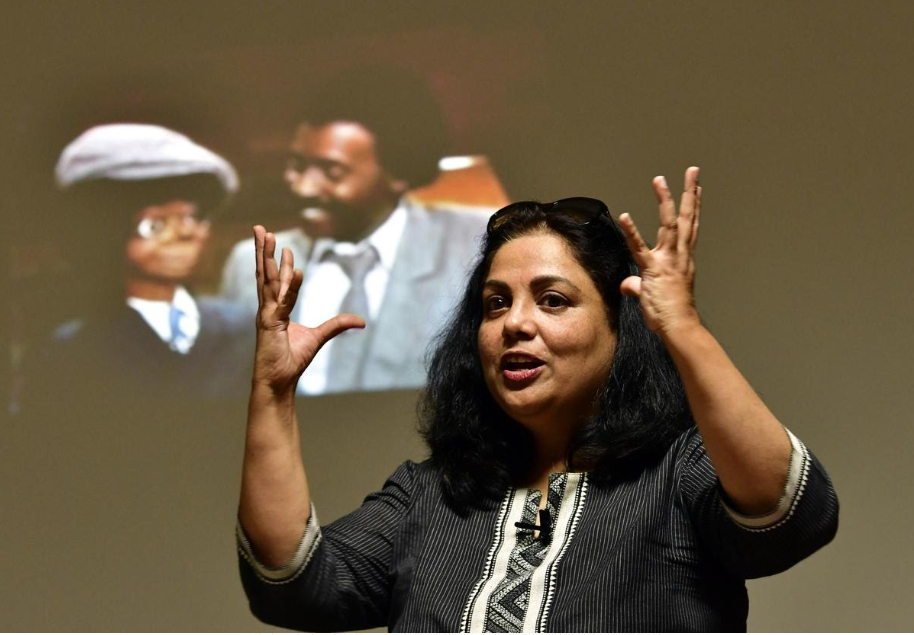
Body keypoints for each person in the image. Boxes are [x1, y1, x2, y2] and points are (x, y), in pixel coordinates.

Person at [235, 168, 839, 631]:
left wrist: (681, 327)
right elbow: (292, 583)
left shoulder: (677, 474)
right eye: (496, 303)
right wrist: (272, 390)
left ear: (619, 326)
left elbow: (790, 515)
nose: (514, 324)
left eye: (552, 300)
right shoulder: (430, 497)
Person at [219, 67, 489, 394]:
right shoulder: (253, 263)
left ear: (398, 173)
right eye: (297, 166)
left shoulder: (475, 245)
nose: (303, 188)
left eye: (332, 171)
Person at [17, 123, 253, 412]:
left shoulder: (243, 331)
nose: (186, 233)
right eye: (155, 224)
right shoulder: (70, 354)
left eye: (193, 217)